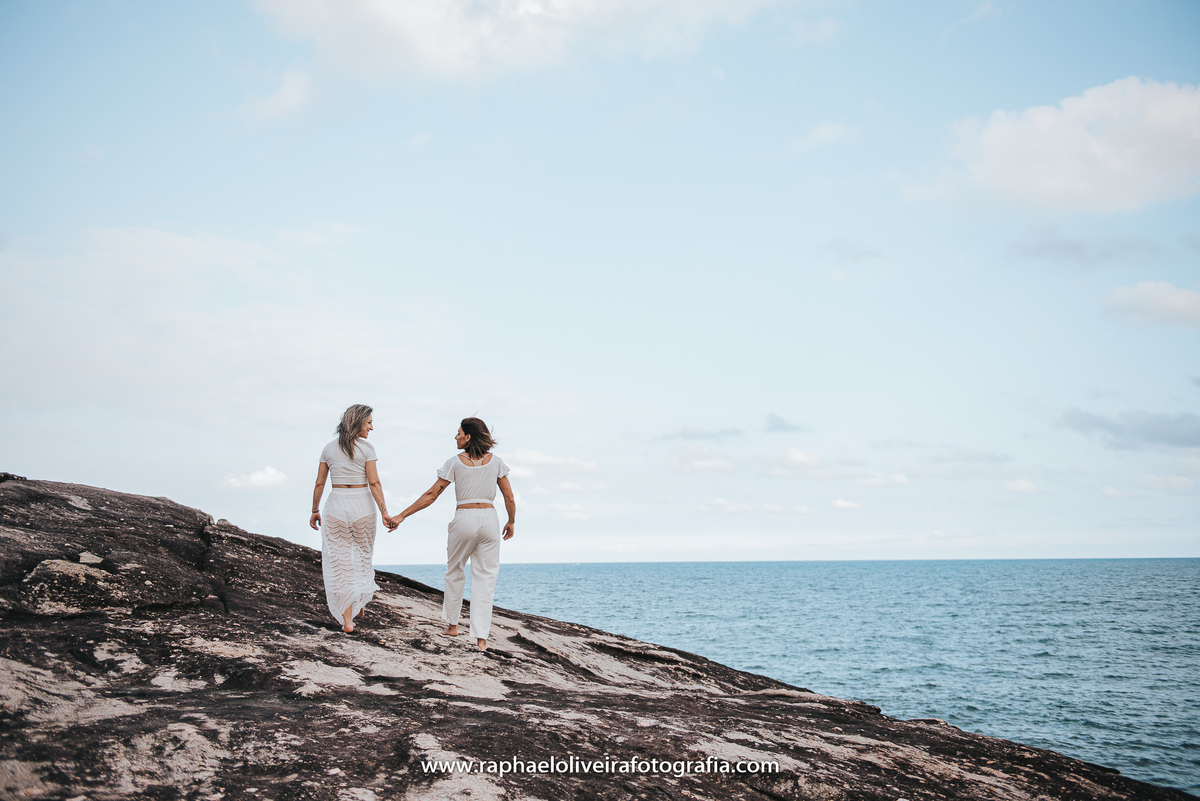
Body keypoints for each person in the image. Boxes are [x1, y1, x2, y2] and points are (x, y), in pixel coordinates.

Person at [387, 417, 515, 651]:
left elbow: (431, 494)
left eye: (458, 433)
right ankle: (481, 639)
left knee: (455, 570)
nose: (455, 437)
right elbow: (509, 498)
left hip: (464, 516)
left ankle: (452, 626)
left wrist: (402, 515)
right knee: (485, 579)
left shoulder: (454, 463)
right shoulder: (497, 463)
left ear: (468, 436)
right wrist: (511, 522)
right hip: (489, 518)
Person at [310, 404, 390, 633]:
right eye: (369, 423)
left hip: (336, 505)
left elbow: (319, 483)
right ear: (357, 424)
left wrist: (314, 510)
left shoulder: (328, 449)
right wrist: (384, 511)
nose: (371, 428)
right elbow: (374, 483)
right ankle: (360, 601)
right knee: (363, 556)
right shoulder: (367, 449)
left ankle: (347, 621)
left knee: (340, 563)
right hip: (362, 505)